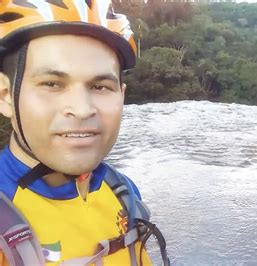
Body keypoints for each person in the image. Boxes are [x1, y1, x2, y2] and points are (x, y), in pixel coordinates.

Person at [0, 1, 168, 265]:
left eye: (100, 87)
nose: (81, 109)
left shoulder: (122, 190)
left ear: (121, 96)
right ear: (6, 96)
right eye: (52, 84)